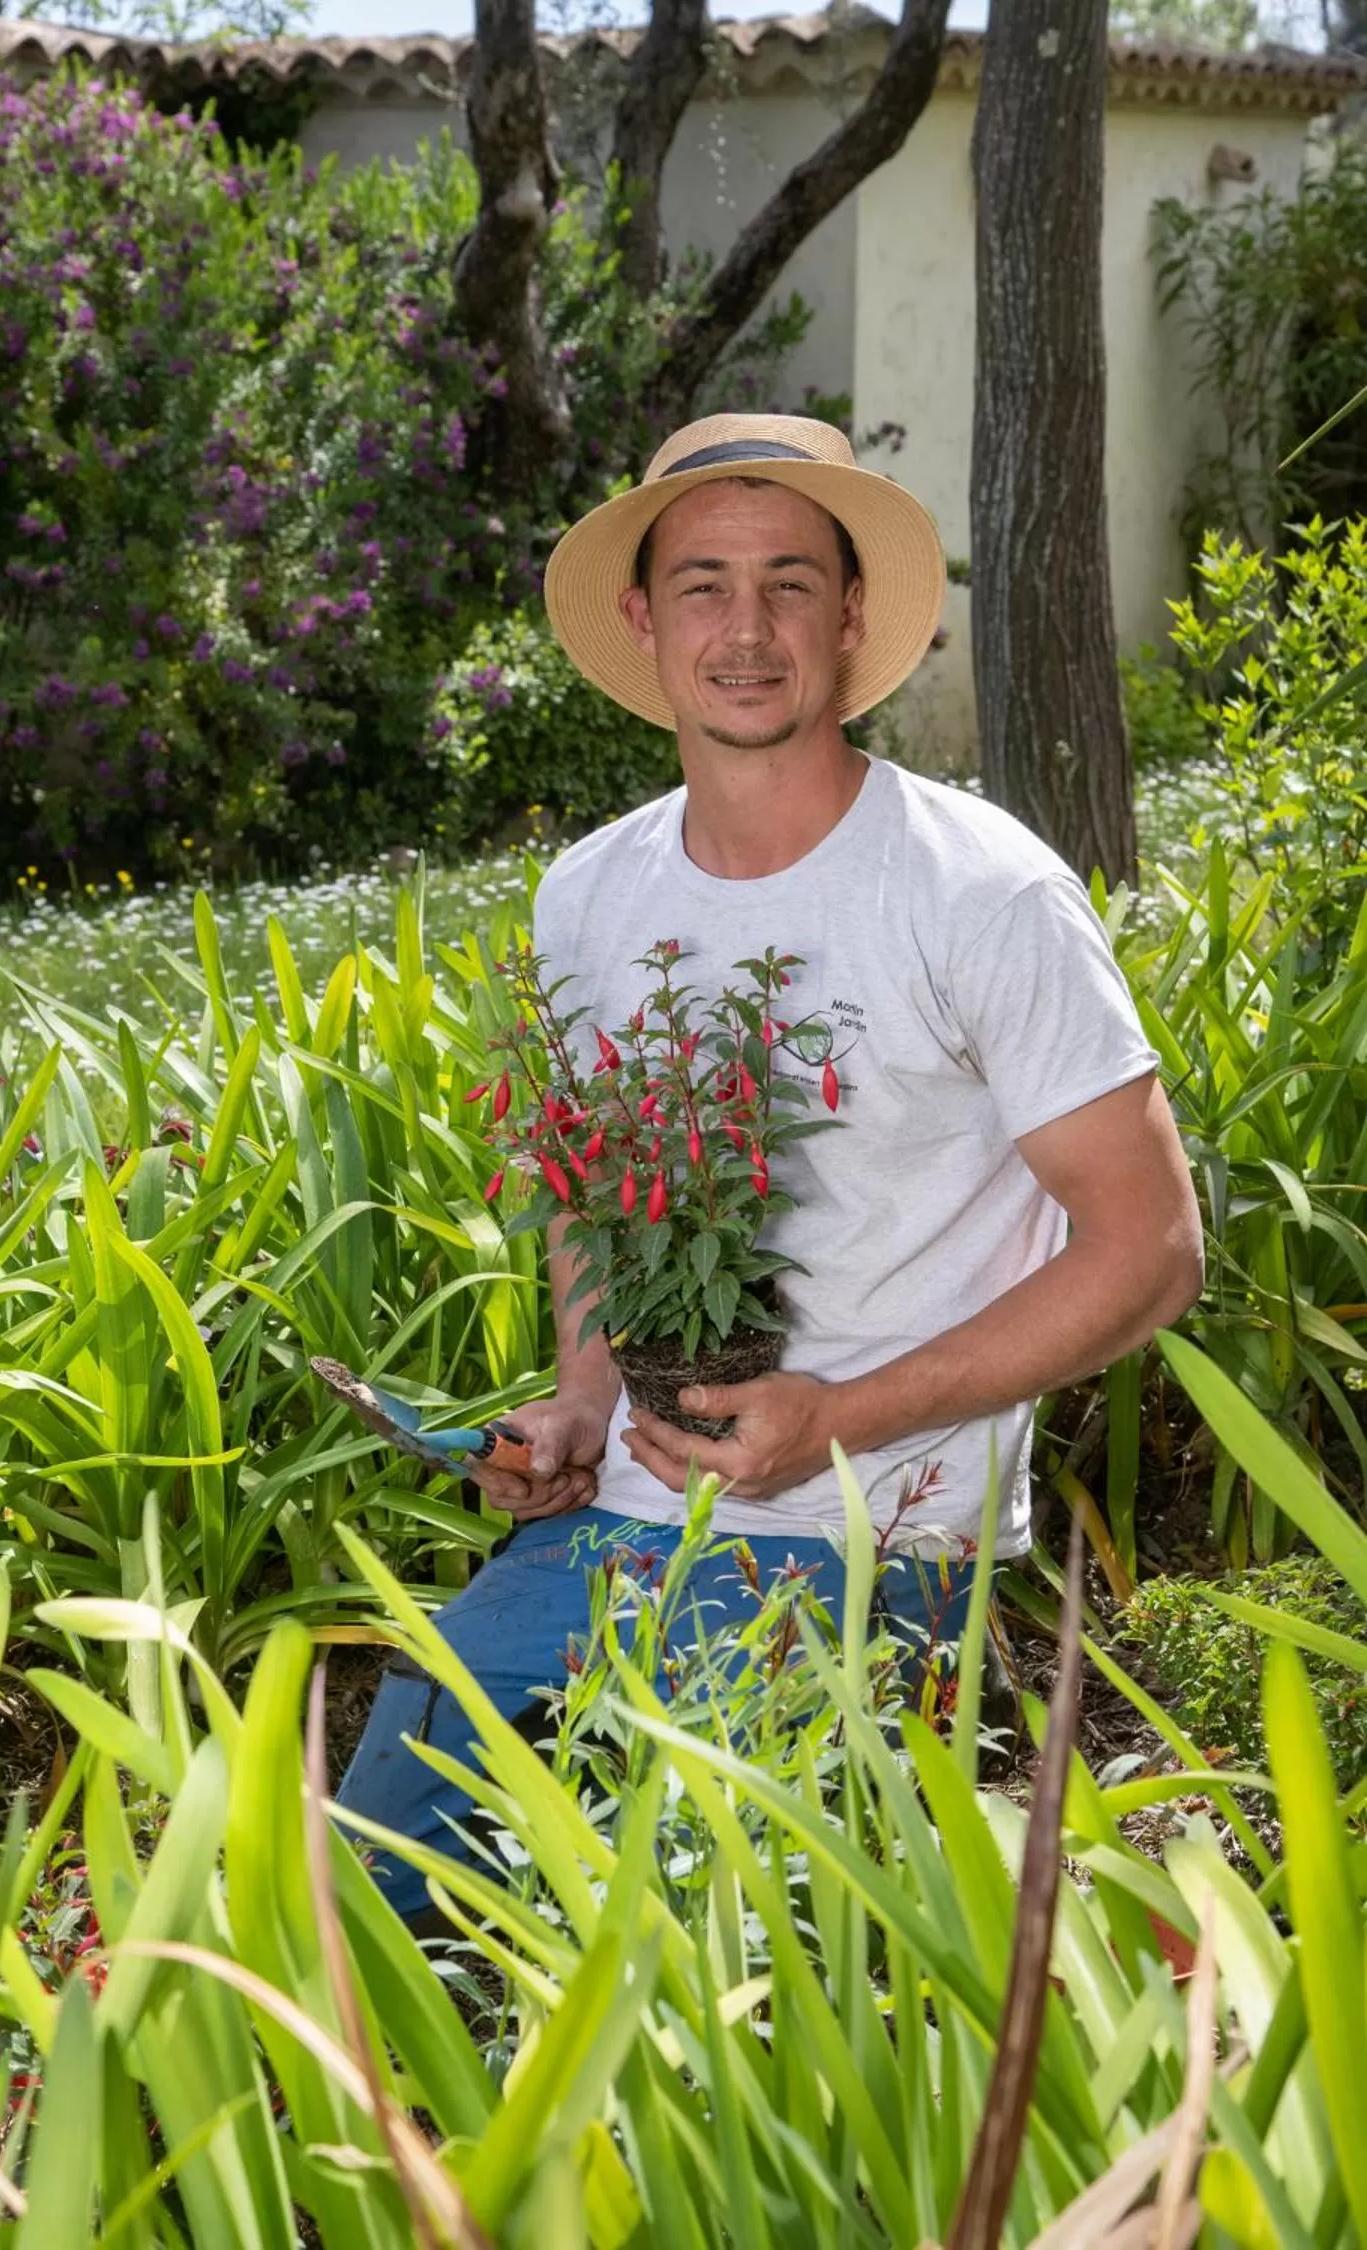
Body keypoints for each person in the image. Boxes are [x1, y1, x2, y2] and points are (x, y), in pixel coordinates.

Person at [335, 413, 1204, 1919]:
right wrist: (582, 1404)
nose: (747, 630)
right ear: (644, 621)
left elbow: (1153, 1248)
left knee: (685, 1933)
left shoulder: (980, 891)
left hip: (879, 1542)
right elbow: (598, 1201)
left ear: (855, 617)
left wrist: (841, 1420)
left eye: (791, 583)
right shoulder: (590, 895)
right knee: (367, 1879)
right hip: (616, 1531)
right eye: (705, 585)